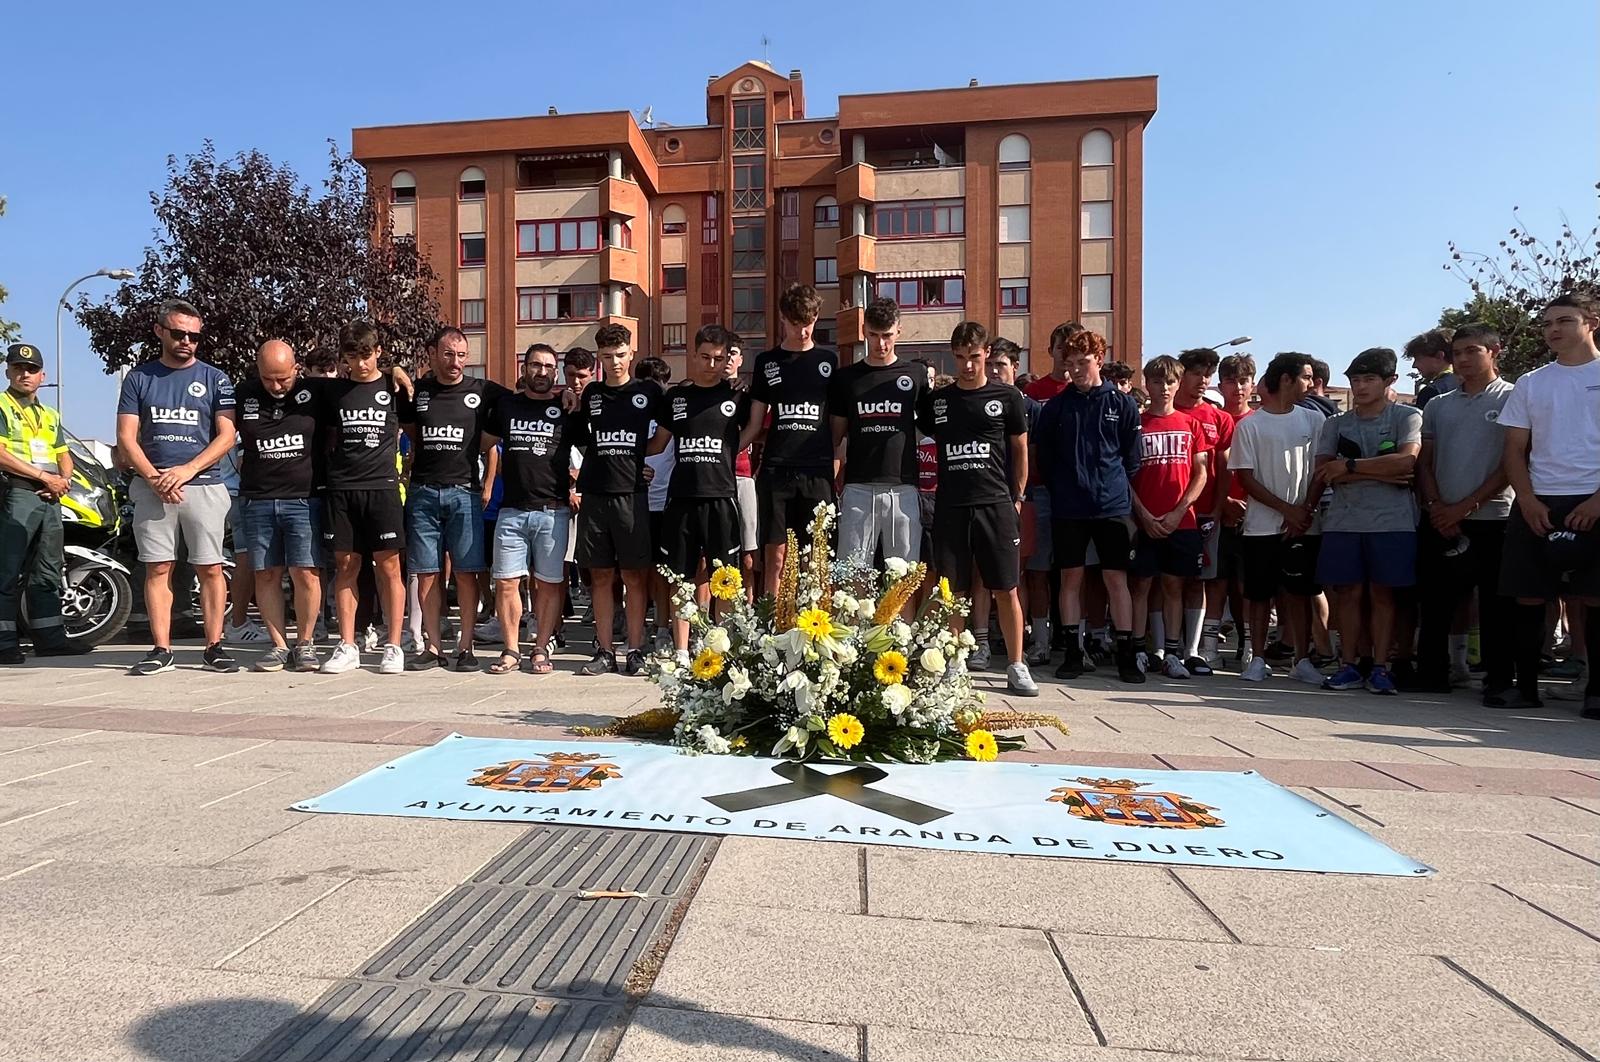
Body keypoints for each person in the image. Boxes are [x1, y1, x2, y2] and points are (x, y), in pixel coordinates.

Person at [116, 299, 239, 675]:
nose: (187, 341)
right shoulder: (139, 378)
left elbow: (227, 436)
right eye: (179, 333)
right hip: (153, 487)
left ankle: (214, 646)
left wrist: (186, 470)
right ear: (160, 332)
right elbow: (126, 438)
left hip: (202, 485)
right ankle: (161, 648)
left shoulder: (215, 378)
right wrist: (155, 478)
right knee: (158, 568)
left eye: (194, 336)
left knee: (211, 568)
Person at [917, 321, 1038, 696]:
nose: (967, 366)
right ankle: (955, 662)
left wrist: (1016, 497)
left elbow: (1020, 448)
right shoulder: (938, 401)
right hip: (951, 506)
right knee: (954, 591)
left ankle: (1017, 666)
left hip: (996, 505)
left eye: (974, 357)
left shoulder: (1008, 397)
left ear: (986, 354)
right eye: (959, 359)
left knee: (1006, 588)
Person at [1498, 293, 1600, 718]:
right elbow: (1514, 448)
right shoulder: (1531, 382)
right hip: (1539, 499)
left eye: (1564, 321)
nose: (1553, 330)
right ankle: (1525, 687)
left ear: (1591, 322)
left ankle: (1596, 692)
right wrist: (1526, 499)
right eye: (1546, 323)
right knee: (1527, 596)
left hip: (1593, 496)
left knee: (1594, 598)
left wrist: (1598, 501)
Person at [1033, 328, 1144, 683]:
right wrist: (1064, 486)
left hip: (1112, 506)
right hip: (1069, 506)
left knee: (1115, 579)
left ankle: (1128, 655)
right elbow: (1045, 456)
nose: (1076, 370)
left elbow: (1132, 457)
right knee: (1071, 579)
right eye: (1070, 363)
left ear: (1099, 359)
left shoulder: (1121, 403)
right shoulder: (1057, 407)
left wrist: (1111, 484)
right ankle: (1072, 653)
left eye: (1083, 362)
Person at [1312, 348, 1423, 695]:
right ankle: (1348, 664)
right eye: (1355, 380)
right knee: (1347, 593)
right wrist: (1380, 471)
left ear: (1390, 381)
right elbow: (1323, 472)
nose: (1360, 386)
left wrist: (1350, 467)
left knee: (1383, 595)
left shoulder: (1407, 417)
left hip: (1393, 522)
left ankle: (1380, 666)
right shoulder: (1336, 423)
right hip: (1344, 521)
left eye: (1369, 379)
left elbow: (1407, 464)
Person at [1414, 323, 1514, 701]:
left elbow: (1511, 463)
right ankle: (1432, 673)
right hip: (1440, 518)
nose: (1464, 360)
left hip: (1494, 517)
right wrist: (1438, 506)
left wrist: (1465, 506)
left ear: (1495, 351)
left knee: (1495, 604)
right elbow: (1425, 462)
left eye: (1473, 351)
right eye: (1458, 353)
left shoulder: (1513, 398)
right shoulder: (1439, 404)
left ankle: (1499, 679)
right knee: (1436, 601)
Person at [399, 327, 506, 671]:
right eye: (448, 354)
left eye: (461, 355)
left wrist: (565, 397)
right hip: (423, 491)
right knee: (427, 573)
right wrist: (394, 369)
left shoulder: (482, 390)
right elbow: (409, 428)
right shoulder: (419, 391)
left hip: (465, 493)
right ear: (433, 354)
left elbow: (522, 400)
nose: (455, 362)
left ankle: (465, 648)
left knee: (467, 573)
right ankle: (432, 646)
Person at [652, 325, 750, 654]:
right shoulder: (676, 397)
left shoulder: (737, 394)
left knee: (724, 579)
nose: (711, 364)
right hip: (682, 499)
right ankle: (681, 652)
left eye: (718, 358)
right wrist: (627, 456)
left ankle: (717, 649)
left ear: (727, 360)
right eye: (705, 357)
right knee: (682, 579)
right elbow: (657, 443)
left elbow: (755, 429)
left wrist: (731, 449)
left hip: (721, 498)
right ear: (693, 356)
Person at [1230, 353, 1326, 684]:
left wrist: (1304, 511)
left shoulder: (1315, 422)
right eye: (1306, 377)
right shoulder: (1250, 425)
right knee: (1258, 595)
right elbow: (1245, 477)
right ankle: (1257, 658)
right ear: (1285, 379)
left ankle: (1302, 659)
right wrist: (1287, 510)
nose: (1311, 385)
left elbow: (1320, 471)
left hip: (1304, 526)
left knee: (1298, 594)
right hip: (1261, 527)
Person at [319, 321, 409, 675]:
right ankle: (347, 644)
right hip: (342, 489)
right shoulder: (333, 393)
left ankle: (394, 645)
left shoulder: (394, 386)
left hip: (382, 488)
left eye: (367, 355)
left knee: (389, 567)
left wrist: (395, 370)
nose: (360, 364)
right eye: (352, 357)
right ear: (343, 358)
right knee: (346, 567)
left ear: (379, 352)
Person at [568, 323, 656, 675]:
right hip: (595, 495)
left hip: (632, 496)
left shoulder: (648, 392)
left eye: (620, 355)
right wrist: (571, 403)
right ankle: (605, 651)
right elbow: (580, 438)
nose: (615, 362)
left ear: (631, 352)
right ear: (599, 358)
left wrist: (643, 461)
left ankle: (635, 649)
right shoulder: (591, 395)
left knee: (635, 576)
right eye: (607, 357)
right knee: (601, 576)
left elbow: (667, 433)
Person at [234, 340, 326, 672]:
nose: (276, 386)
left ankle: (305, 643)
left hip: (302, 498)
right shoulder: (243, 393)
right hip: (257, 498)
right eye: (268, 379)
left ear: (296, 368)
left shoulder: (314, 391)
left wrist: (396, 370)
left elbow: (361, 381)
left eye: (283, 379)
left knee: (306, 572)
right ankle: (278, 645)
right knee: (266, 572)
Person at [480, 343, 571, 676]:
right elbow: (482, 444)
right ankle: (511, 649)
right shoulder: (506, 405)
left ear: (556, 372)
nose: (542, 372)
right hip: (511, 511)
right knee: (505, 583)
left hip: (553, 511)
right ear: (524, 368)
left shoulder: (567, 408)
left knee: (548, 585)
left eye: (549, 366)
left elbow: (593, 450)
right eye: (536, 365)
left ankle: (539, 648)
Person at [744, 284, 838, 596]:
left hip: (817, 471)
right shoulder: (767, 362)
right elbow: (755, 424)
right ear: (783, 319)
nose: (803, 331)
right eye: (796, 324)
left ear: (817, 317)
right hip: (776, 471)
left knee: (817, 556)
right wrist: (727, 451)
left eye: (809, 323)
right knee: (777, 555)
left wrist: (833, 465)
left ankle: (816, 631)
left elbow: (837, 425)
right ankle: (772, 624)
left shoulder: (829, 361)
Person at [0, 342, 86, 663]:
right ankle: (4, 643)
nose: (25, 374)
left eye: (32, 369)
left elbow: (64, 456)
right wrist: (43, 476)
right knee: (7, 570)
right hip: (17, 492)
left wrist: (61, 481)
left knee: (48, 569)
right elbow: (2, 455)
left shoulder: (49, 414)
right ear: (8, 371)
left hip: (50, 497)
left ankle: (50, 638)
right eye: (18, 368)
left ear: (42, 376)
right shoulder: (3, 406)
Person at [829, 297, 924, 568]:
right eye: (874, 335)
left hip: (903, 488)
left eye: (887, 335)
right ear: (864, 332)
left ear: (899, 331)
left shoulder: (915, 375)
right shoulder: (846, 378)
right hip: (858, 487)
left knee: (902, 580)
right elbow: (835, 438)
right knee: (852, 577)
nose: (881, 344)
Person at [1129, 356, 1208, 679]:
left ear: (1179, 384)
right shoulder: (1136, 424)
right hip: (1142, 519)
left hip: (1182, 520)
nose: (1164, 388)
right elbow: (1125, 475)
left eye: (1170, 382)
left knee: (1175, 585)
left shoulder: (1192, 425)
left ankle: (1173, 652)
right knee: (1141, 585)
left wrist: (1178, 512)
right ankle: (1137, 649)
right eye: (1158, 382)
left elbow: (1200, 473)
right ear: (1147, 384)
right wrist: (1143, 514)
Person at [968, 337, 1037, 665]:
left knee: (1013, 577)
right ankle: (981, 642)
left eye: (1001, 365)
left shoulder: (1028, 406)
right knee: (981, 575)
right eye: (991, 364)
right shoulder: (977, 399)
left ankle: (1018, 650)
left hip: (1016, 500)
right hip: (980, 497)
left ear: (1015, 367)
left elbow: (1029, 453)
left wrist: (1020, 497)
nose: (994, 371)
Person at [1173, 347, 1235, 674]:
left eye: (1207, 375)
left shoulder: (1219, 419)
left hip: (1205, 514)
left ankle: (1193, 649)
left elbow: (1223, 467)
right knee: (1165, 582)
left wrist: (1218, 505)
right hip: (1168, 513)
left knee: (1198, 580)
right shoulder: (1166, 412)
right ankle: (1162, 646)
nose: (1202, 380)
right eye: (1196, 373)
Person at [1216, 353, 1256, 663]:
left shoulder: (1258, 421)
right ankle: (1209, 645)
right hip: (1218, 511)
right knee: (1217, 582)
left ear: (1252, 385)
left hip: (1253, 512)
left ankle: (1249, 644)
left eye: (1243, 381)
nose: (1237, 388)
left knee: (1246, 585)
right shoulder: (1214, 419)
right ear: (1221, 385)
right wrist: (1224, 501)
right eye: (1231, 382)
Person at [1406, 328, 1459, 410]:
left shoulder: (1431, 392)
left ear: (1439, 356)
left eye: (1418, 358)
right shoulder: (1470, 386)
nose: (1414, 365)